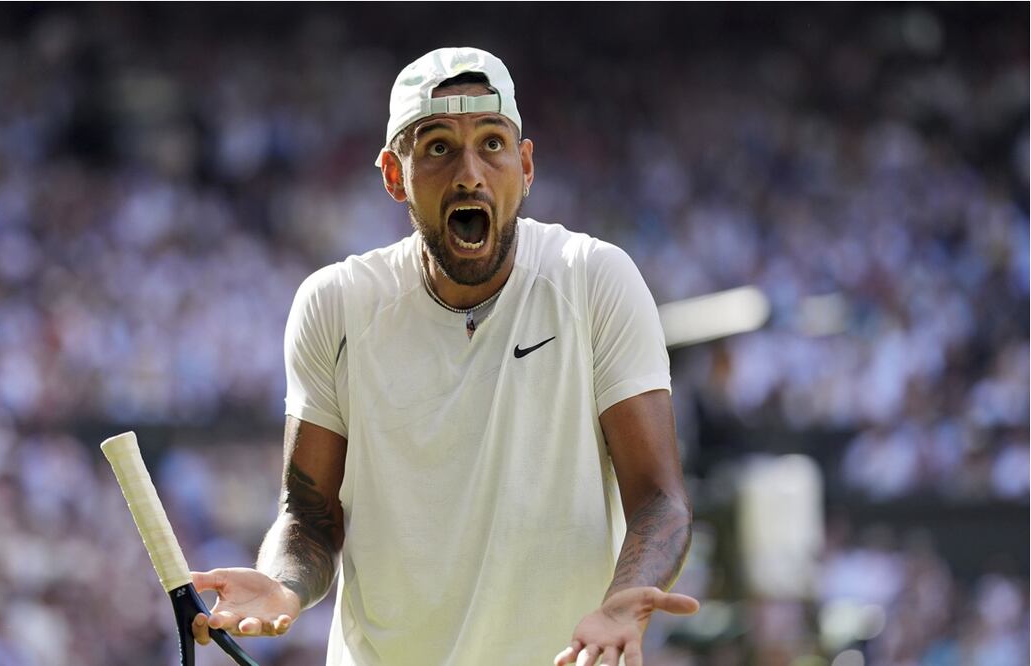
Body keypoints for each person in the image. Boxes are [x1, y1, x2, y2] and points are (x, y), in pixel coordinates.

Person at [190, 47, 698, 666]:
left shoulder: (595, 281)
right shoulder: (337, 304)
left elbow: (659, 501)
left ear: (525, 164)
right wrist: (285, 583)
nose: (469, 174)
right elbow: (309, 516)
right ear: (393, 175)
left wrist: (624, 602)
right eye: (436, 147)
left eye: (492, 143)